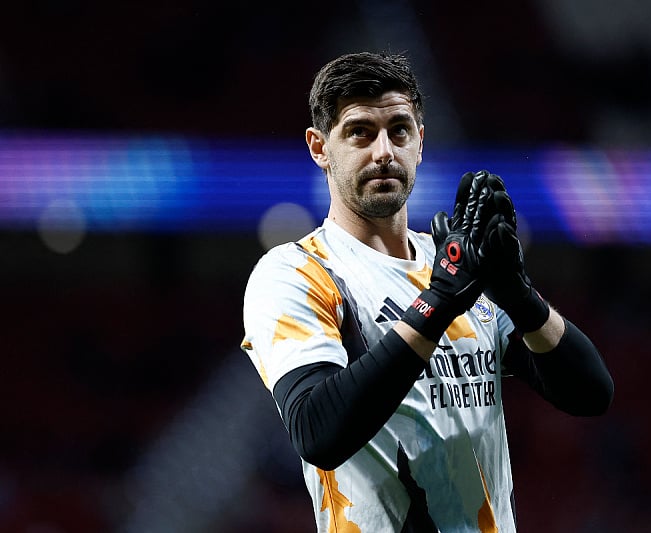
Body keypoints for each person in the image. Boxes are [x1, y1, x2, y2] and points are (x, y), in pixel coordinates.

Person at [241, 51, 614, 532]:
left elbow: (590, 393)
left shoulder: (457, 264)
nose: (383, 152)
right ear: (319, 147)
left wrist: (518, 294)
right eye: (359, 132)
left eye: (399, 130)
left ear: (420, 141)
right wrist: (438, 302)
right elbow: (318, 431)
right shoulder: (296, 272)